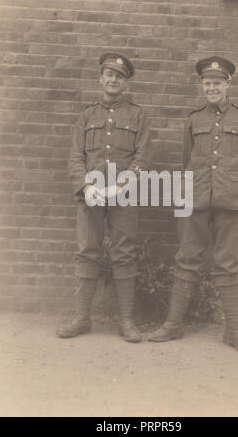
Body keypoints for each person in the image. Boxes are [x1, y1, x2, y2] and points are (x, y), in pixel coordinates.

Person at [149, 56, 238, 354]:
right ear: (202, 86)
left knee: (227, 263)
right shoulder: (193, 119)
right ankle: (173, 324)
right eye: (207, 83)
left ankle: (233, 330)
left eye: (217, 83)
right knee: (187, 258)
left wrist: (228, 184)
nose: (212, 88)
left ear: (228, 85)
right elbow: (187, 161)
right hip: (195, 197)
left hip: (231, 200)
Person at [56, 52, 152, 343]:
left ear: (126, 83)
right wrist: (86, 186)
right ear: (101, 79)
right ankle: (82, 318)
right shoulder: (86, 116)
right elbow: (75, 156)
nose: (113, 80)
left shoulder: (138, 115)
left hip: (124, 194)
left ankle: (126, 321)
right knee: (87, 250)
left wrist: (125, 183)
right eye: (109, 75)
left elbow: (143, 156)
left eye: (119, 76)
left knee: (124, 252)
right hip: (92, 193)